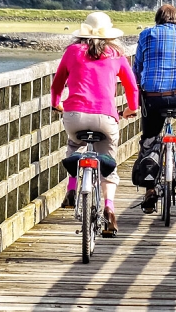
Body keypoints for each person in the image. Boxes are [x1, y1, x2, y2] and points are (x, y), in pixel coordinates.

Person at [51, 12, 139, 234]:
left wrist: (56, 103)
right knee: (108, 163)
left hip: (75, 117)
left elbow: (57, 83)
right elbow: (132, 87)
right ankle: (109, 209)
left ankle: (72, 189)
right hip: (106, 118)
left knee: (74, 145)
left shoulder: (72, 51)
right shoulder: (116, 54)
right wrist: (131, 109)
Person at [133, 4, 176, 213]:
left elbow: (137, 68)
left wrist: (140, 88)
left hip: (153, 97)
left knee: (149, 138)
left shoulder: (146, 35)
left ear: (158, 19)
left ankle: (149, 191)